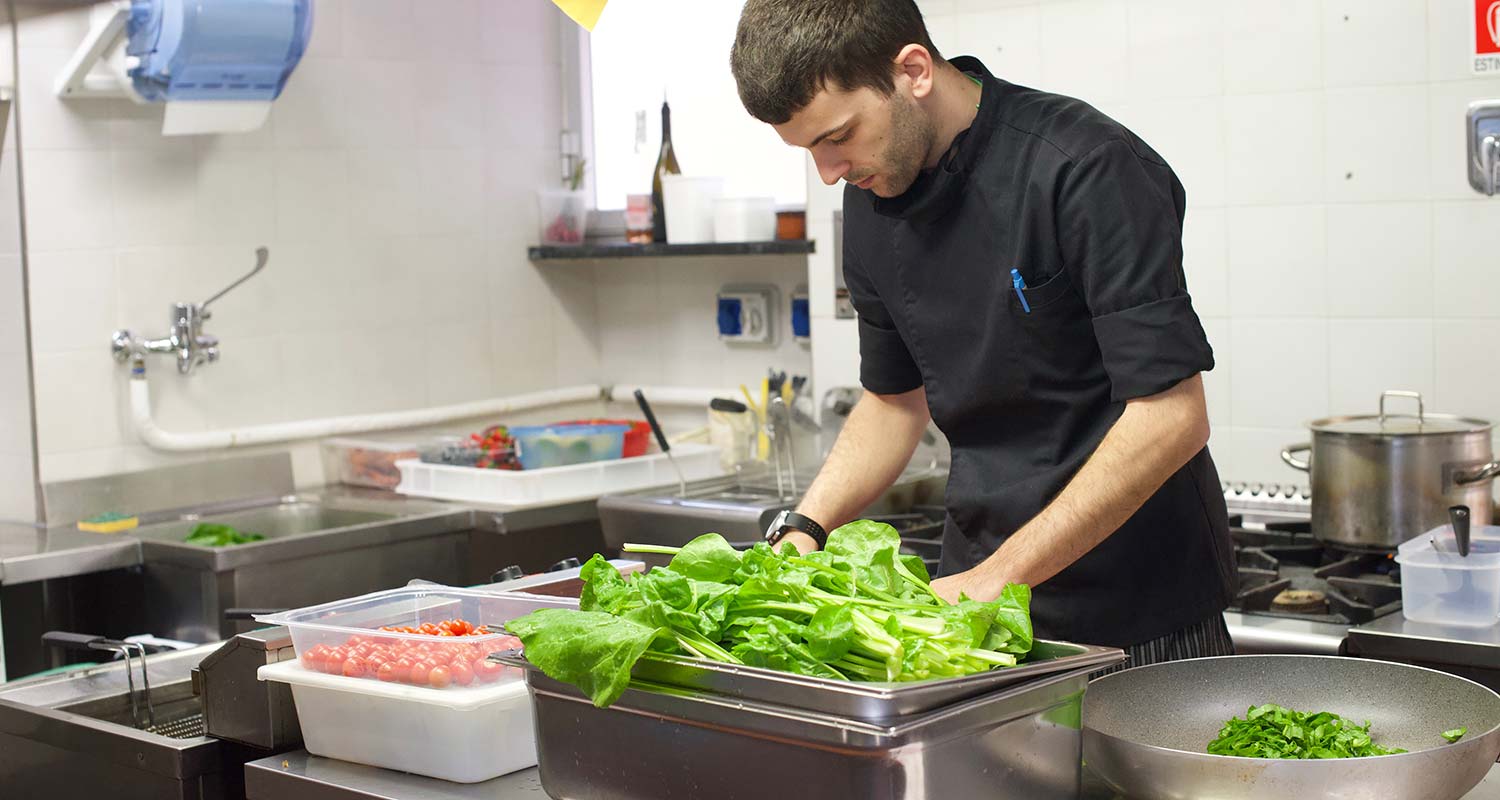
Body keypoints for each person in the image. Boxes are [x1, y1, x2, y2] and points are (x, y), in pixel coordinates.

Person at [730, 0, 1237, 666]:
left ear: (913, 70)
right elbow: (893, 400)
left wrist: (998, 577)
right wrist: (807, 525)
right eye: (808, 150)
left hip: (1139, 612)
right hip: (978, 613)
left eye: (837, 137)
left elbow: (1171, 418)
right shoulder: (871, 199)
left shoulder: (1084, 166)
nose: (828, 173)